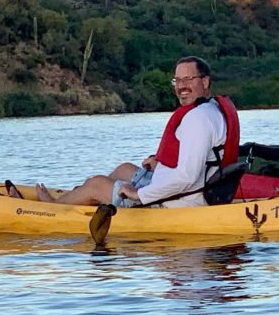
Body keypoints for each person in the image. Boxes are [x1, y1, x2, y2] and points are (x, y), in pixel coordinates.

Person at [26, 56, 240, 207]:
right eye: (178, 80)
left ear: (205, 81)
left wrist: (139, 194)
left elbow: (187, 177)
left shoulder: (197, 118)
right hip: (186, 187)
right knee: (124, 169)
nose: (181, 86)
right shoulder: (210, 108)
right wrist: (160, 163)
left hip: (181, 199)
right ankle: (82, 198)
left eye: (188, 80)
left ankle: (54, 207)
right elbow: (202, 158)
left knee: (96, 184)